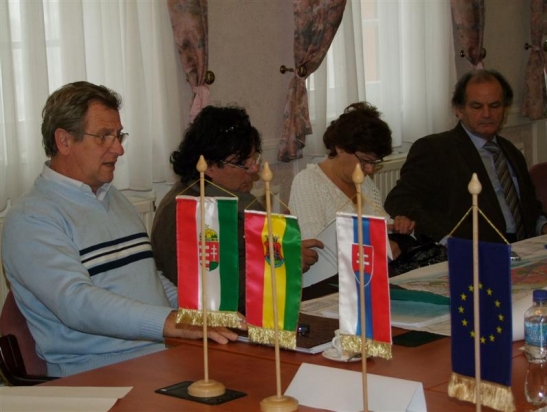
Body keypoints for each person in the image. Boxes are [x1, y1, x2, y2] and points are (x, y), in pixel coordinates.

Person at [1, 82, 237, 377]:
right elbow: (77, 304)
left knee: (261, 378)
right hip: (95, 374)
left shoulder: (113, 198)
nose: (119, 149)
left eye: (119, 135)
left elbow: (149, 280)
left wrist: (201, 312)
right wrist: (169, 321)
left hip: (161, 356)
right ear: (64, 141)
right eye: (104, 137)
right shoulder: (31, 218)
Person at [151, 105, 322, 314]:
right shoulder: (186, 213)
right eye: (242, 163)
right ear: (209, 166)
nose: (254, 169)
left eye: (254, 158)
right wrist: (286, 263)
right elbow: (217, 293)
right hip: (216, 324)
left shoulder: (232, 195)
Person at [384, 69, 547, 243]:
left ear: (505, 109)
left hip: (525, 247)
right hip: (473, 249)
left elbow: (530, 206)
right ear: (459, 110)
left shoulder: (511, 152)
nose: (487, 114)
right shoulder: (435, 150)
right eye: (477, 106)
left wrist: (543, 226)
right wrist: (447, 241)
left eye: (495, 106)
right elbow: (400, 201)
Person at [288, 102, 415, 259]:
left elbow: (380, 223)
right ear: (340, 148)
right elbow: (317, 247)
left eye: (375, 162)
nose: (370, 169)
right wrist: (378, 245)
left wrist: (397, 225)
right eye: (365, 160)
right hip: (335, 273)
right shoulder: (308, 182)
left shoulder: (363, 182)